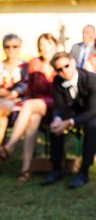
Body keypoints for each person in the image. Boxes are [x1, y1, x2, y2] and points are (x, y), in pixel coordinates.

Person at [42, 52, 96, 188]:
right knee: (55, 126)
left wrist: (70, 122)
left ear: (73, 62)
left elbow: (93, 110)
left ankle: (84, 172)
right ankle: (56, 169)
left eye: (66, 66)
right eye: (59, 69)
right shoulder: (58, 81)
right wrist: (57, 119)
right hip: (82, 108)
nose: (64, 71)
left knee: (90, 125)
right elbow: (58, 105)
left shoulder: (91, 78)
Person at [0, 33, 58, 184]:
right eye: (42, 45)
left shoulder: (60, 62)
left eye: (49, 44)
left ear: (55, 46)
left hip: (54, 106)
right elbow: (30, 89)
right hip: (34, 107)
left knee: (29, 105)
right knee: (33, 119)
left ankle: (10, 146)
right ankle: (25, 170)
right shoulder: (34, 63)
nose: (45, 48)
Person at [0, 34, 27, 145]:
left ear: (19, 47)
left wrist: (9, 94)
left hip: (19, 105)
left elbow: (25, 87)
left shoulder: (26, 66)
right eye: (7, 46)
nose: (11, 49)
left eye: (14, 46)